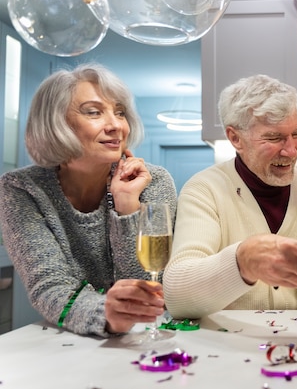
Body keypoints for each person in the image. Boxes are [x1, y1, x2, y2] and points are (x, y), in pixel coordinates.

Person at [0, 64, 177, 337]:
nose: (116, 125)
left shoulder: (152, 181)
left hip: (148, 337)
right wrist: (105, 313)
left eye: (120, 113)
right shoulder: (22, 189)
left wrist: (127, 205)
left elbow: (149, 289)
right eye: (94, 112)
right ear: (56, 122)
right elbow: (49, 287)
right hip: (69, 345)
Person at [163, 74, 297, 319]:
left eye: (296, 133)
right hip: (233, 346)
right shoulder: (205, 190)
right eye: (274, 138)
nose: (291, 150)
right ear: (235, 138)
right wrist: (242, 263)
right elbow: (177, 295)